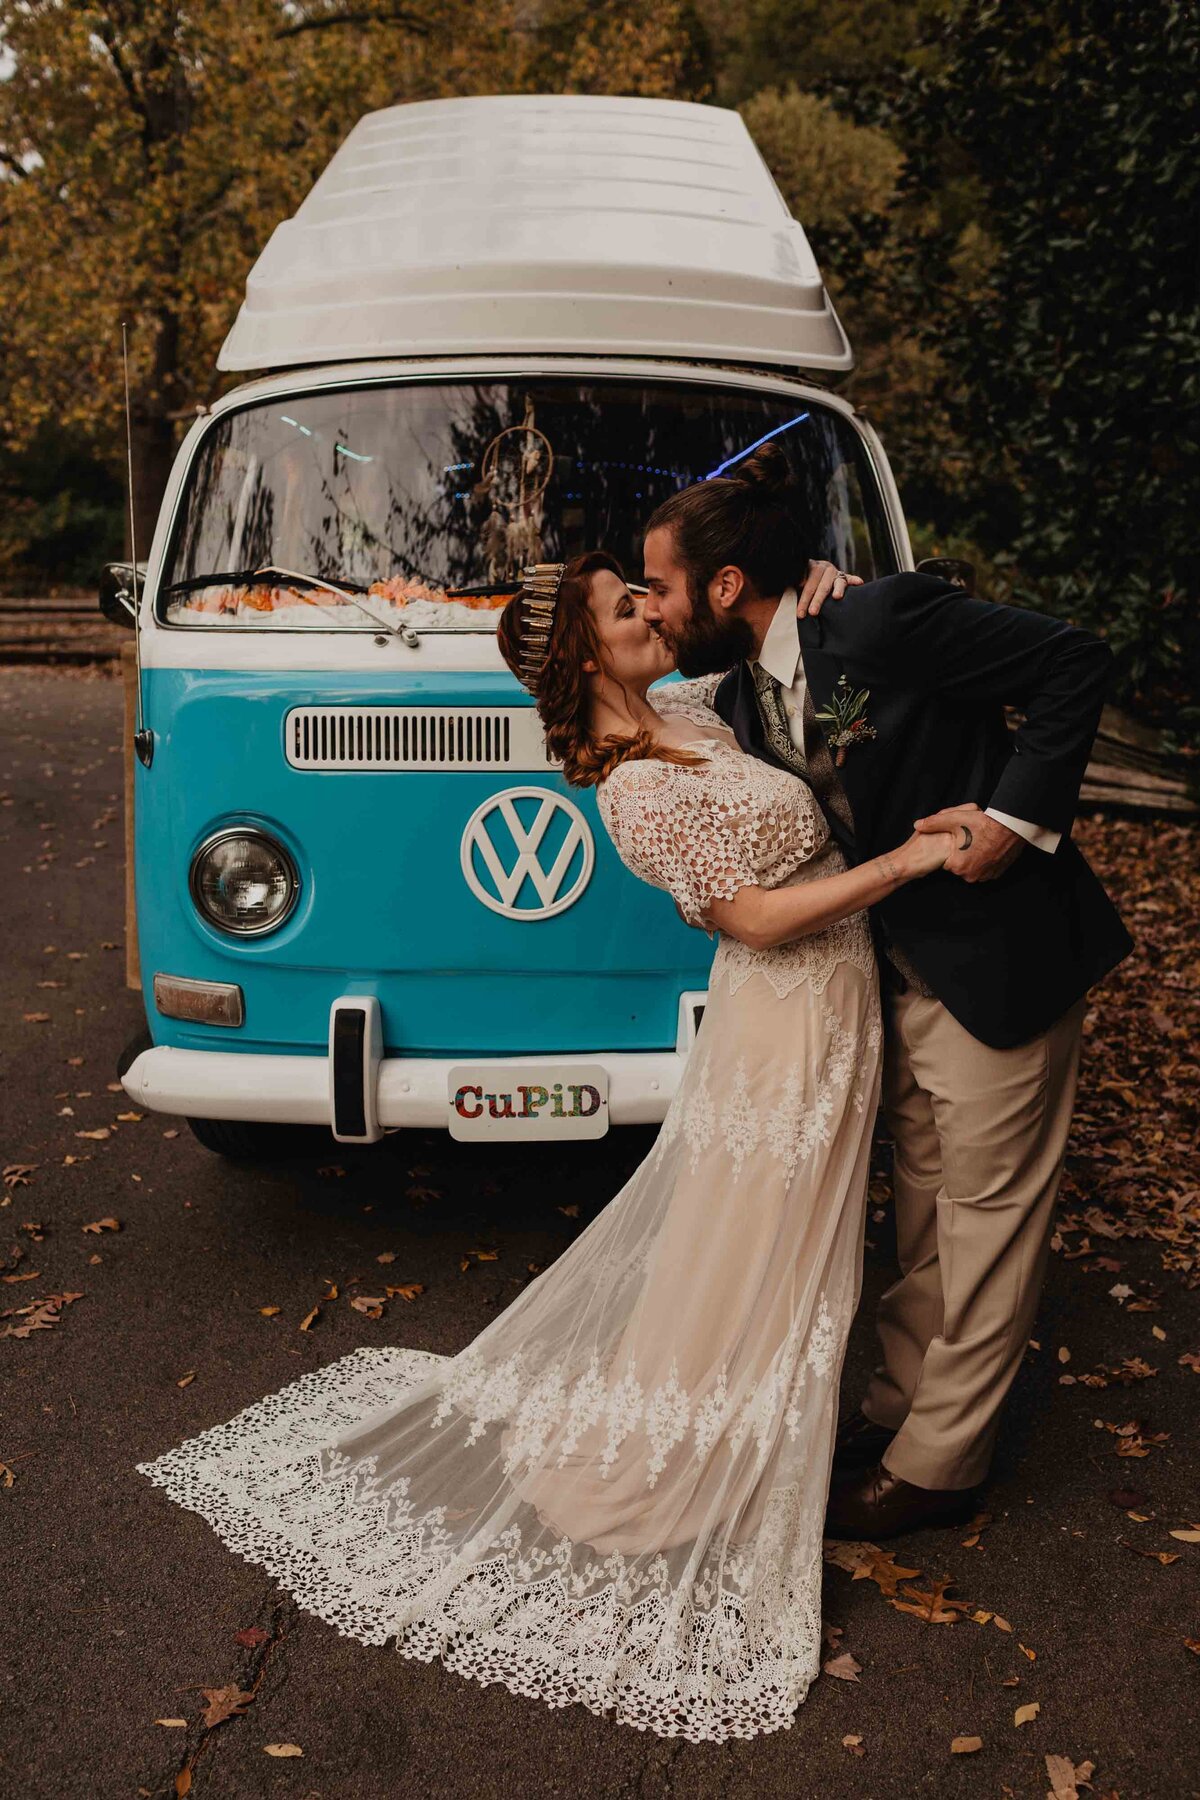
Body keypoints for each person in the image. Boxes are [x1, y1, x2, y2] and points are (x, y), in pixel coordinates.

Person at [134, 547, 956, 1744]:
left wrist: (821, 593)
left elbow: (777, 674)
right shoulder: (630, 787)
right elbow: (756, 916)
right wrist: (912, 859)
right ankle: (691, 1455)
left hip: (828, 1011)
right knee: (757, 1228)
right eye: (629, 608)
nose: (652, 611)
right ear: (586, 655)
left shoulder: (687, 707)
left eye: (643, 594)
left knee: (770, 1224)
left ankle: (750, 1424)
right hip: (782, 1017)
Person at [639, 443, 1134, 1540]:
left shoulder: (877, 623)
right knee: (924, 1215)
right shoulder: (746, 684)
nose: (653, 609)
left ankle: (938, 1468)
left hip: (998, 958)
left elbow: (1073, 662)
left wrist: (1012, 820)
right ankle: (897, 1409)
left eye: (661, 587)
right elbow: (621, 690)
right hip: (894, 978)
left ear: (724, 586)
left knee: (989, 1220)